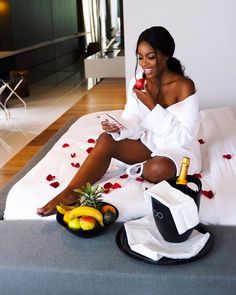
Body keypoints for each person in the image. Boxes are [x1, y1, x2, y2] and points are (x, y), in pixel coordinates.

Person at [37, 26, 201, 216]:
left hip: (178, 150)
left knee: (157, 169)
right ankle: (70, 193)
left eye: (150, 56)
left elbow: (184, 136)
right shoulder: (138, 83)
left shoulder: (184, 86)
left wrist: (151, 105)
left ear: (166, 55)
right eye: (139, 57)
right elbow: (133, 119)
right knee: (106, 139)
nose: (144, 63)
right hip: (150, 143)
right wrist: (120, 128)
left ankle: (142, 168)